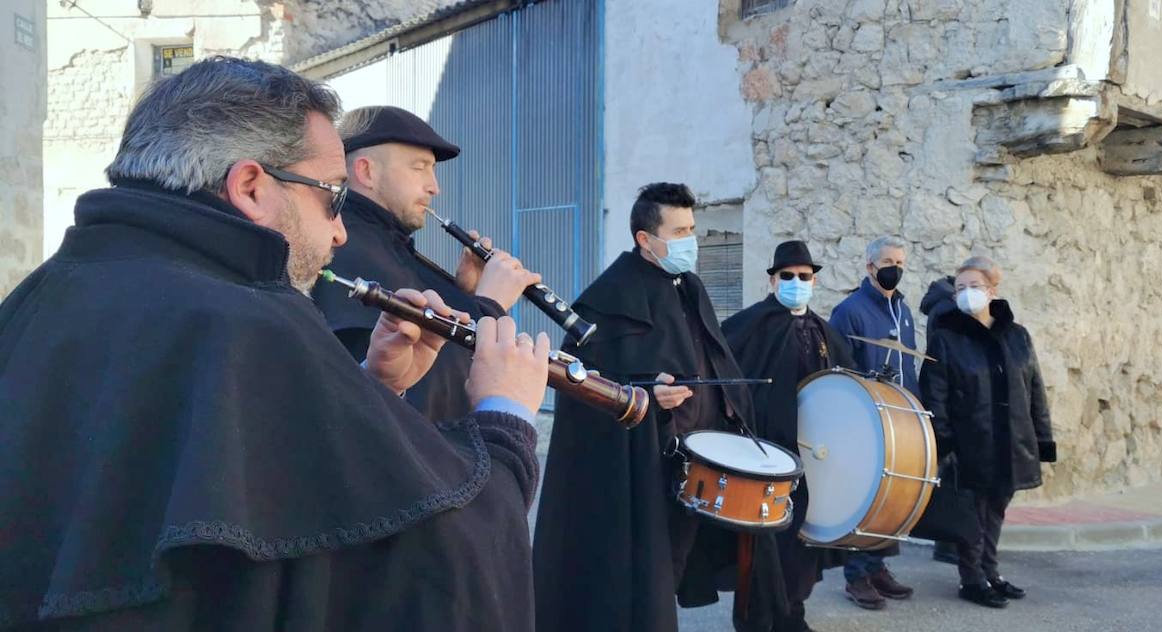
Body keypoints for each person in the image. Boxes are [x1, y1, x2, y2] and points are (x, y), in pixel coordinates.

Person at [0, 57, 552, 630]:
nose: (339, 230)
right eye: (333, 197)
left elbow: (244, 475)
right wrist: (505, 418)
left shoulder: (39, 296)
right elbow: (441, 570)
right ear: (251, 187)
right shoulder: (251, 320)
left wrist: (369, 389)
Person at [533, 183, 776, 631]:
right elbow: (581, 386)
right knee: (644, 576)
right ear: (645, 238)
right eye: (680, 230)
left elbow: (710, 355)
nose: (691, 240)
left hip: (696, 460)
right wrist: (643, 394)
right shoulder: (607, 298)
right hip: (641, 467)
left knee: (677, 567)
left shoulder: (689, 285)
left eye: (693, 229)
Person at [312, 105, 538, 421]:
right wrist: (489, 306)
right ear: (366, 171)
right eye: (420, 168)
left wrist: (465, 294)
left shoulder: (385, 241)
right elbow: (419, 381)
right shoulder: (351, 247)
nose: (434, 186)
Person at [721, 240, 854, 632]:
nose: (797, 282)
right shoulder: (749, 325)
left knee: (800, 543)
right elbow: (726, 378)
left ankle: (793, 613)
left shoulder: (823, 330)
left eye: (804, 276)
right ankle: (754, 621)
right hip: (764, 454)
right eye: (788, 276)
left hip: (812, 456)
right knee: (762, 543)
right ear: (772, 280)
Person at [917, 256, 1057, 609]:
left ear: (992, 290)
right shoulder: (946, 339)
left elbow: (1035, 389)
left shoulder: (1017, 336)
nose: (966, 294)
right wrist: (944, 441)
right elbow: (935, 395)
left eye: (974, 287)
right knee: (972, 514)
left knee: (996, 510)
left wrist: (1043, 440)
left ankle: (991, 572)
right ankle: (972, 579)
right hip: (971, 444)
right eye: (960, 288)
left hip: (1012, 442)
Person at [826, 235, 919, 609]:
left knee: (893, 497)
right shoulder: (850, 310)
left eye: (900, 262)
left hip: (902, 417)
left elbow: (907, 363)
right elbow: (840, 363)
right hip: (867, 419)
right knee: (867, 499)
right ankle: (857, 575)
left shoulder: (904, 310)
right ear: (870, 267)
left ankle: (878, 566)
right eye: (887, 262)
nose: (894, 268)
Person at [918, 274, 962, 566]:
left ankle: (948, 543)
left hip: (943, 393)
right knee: (952, 478)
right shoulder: (948, 309)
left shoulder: (941, 305)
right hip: (950, 396)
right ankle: (948, 543)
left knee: (949, 475)